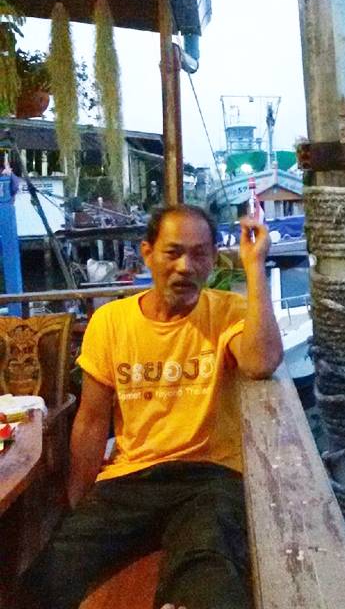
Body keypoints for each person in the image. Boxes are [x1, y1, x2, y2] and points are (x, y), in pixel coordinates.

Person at [36, 204, 283, 609]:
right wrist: (77, 507)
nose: (186, 267)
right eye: (173, 252)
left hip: (209, 477)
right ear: (147, 253)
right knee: (51, 573)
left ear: (213, 259)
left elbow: (261, 362)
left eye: (200, 254)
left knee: (209, 572)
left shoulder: (227, 312)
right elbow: (91, 422)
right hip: (131, 478)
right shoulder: (111, 322)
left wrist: (255, 267)